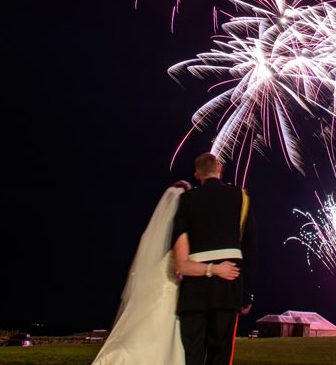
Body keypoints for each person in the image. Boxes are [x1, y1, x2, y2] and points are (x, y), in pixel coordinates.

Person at [91, 180, 193, 365]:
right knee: (159, 336)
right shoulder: (180, 232)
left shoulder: (149, 234)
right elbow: (181, 265)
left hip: (149, 284)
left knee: (140, 328)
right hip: (168, 288)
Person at [171, 153, 256, 365]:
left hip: (194, 290)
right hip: (228, 286)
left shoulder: (186, 200)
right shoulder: (241, 197)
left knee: (192, 354)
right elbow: (251, 248)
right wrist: (247, 294)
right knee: (221, 354)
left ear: (197, 174)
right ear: (220, 169)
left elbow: (179, 250)